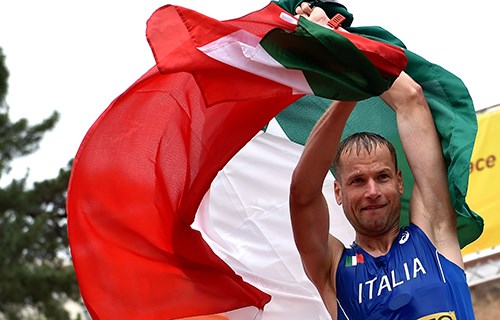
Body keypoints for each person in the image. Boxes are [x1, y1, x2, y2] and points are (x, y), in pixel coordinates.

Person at [289, 60, 476, 320]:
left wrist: (340, 46)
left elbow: (411, 98)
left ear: (399, 181)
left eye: (382, 177)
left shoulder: (434, 232)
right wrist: (346, 99)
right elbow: (302, 194)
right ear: (338, 192)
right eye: (357, 181)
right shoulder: (332, 269)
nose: (372, 191)